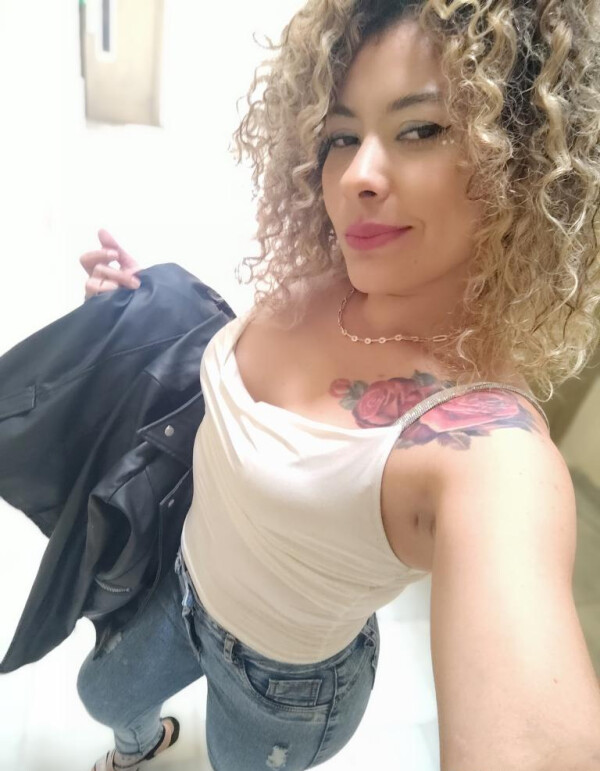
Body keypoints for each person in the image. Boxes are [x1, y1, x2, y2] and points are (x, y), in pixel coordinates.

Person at [76, 1, 600, 770]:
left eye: (420, 129)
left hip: (285, 686)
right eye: (342, 136)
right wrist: (139, 307)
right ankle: (144, 744)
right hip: (181, 582)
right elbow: (234, 371)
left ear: (517, 161)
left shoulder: (487, 449)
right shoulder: (333, 271)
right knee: (100, 694)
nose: (357, 175)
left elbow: (533, 732)